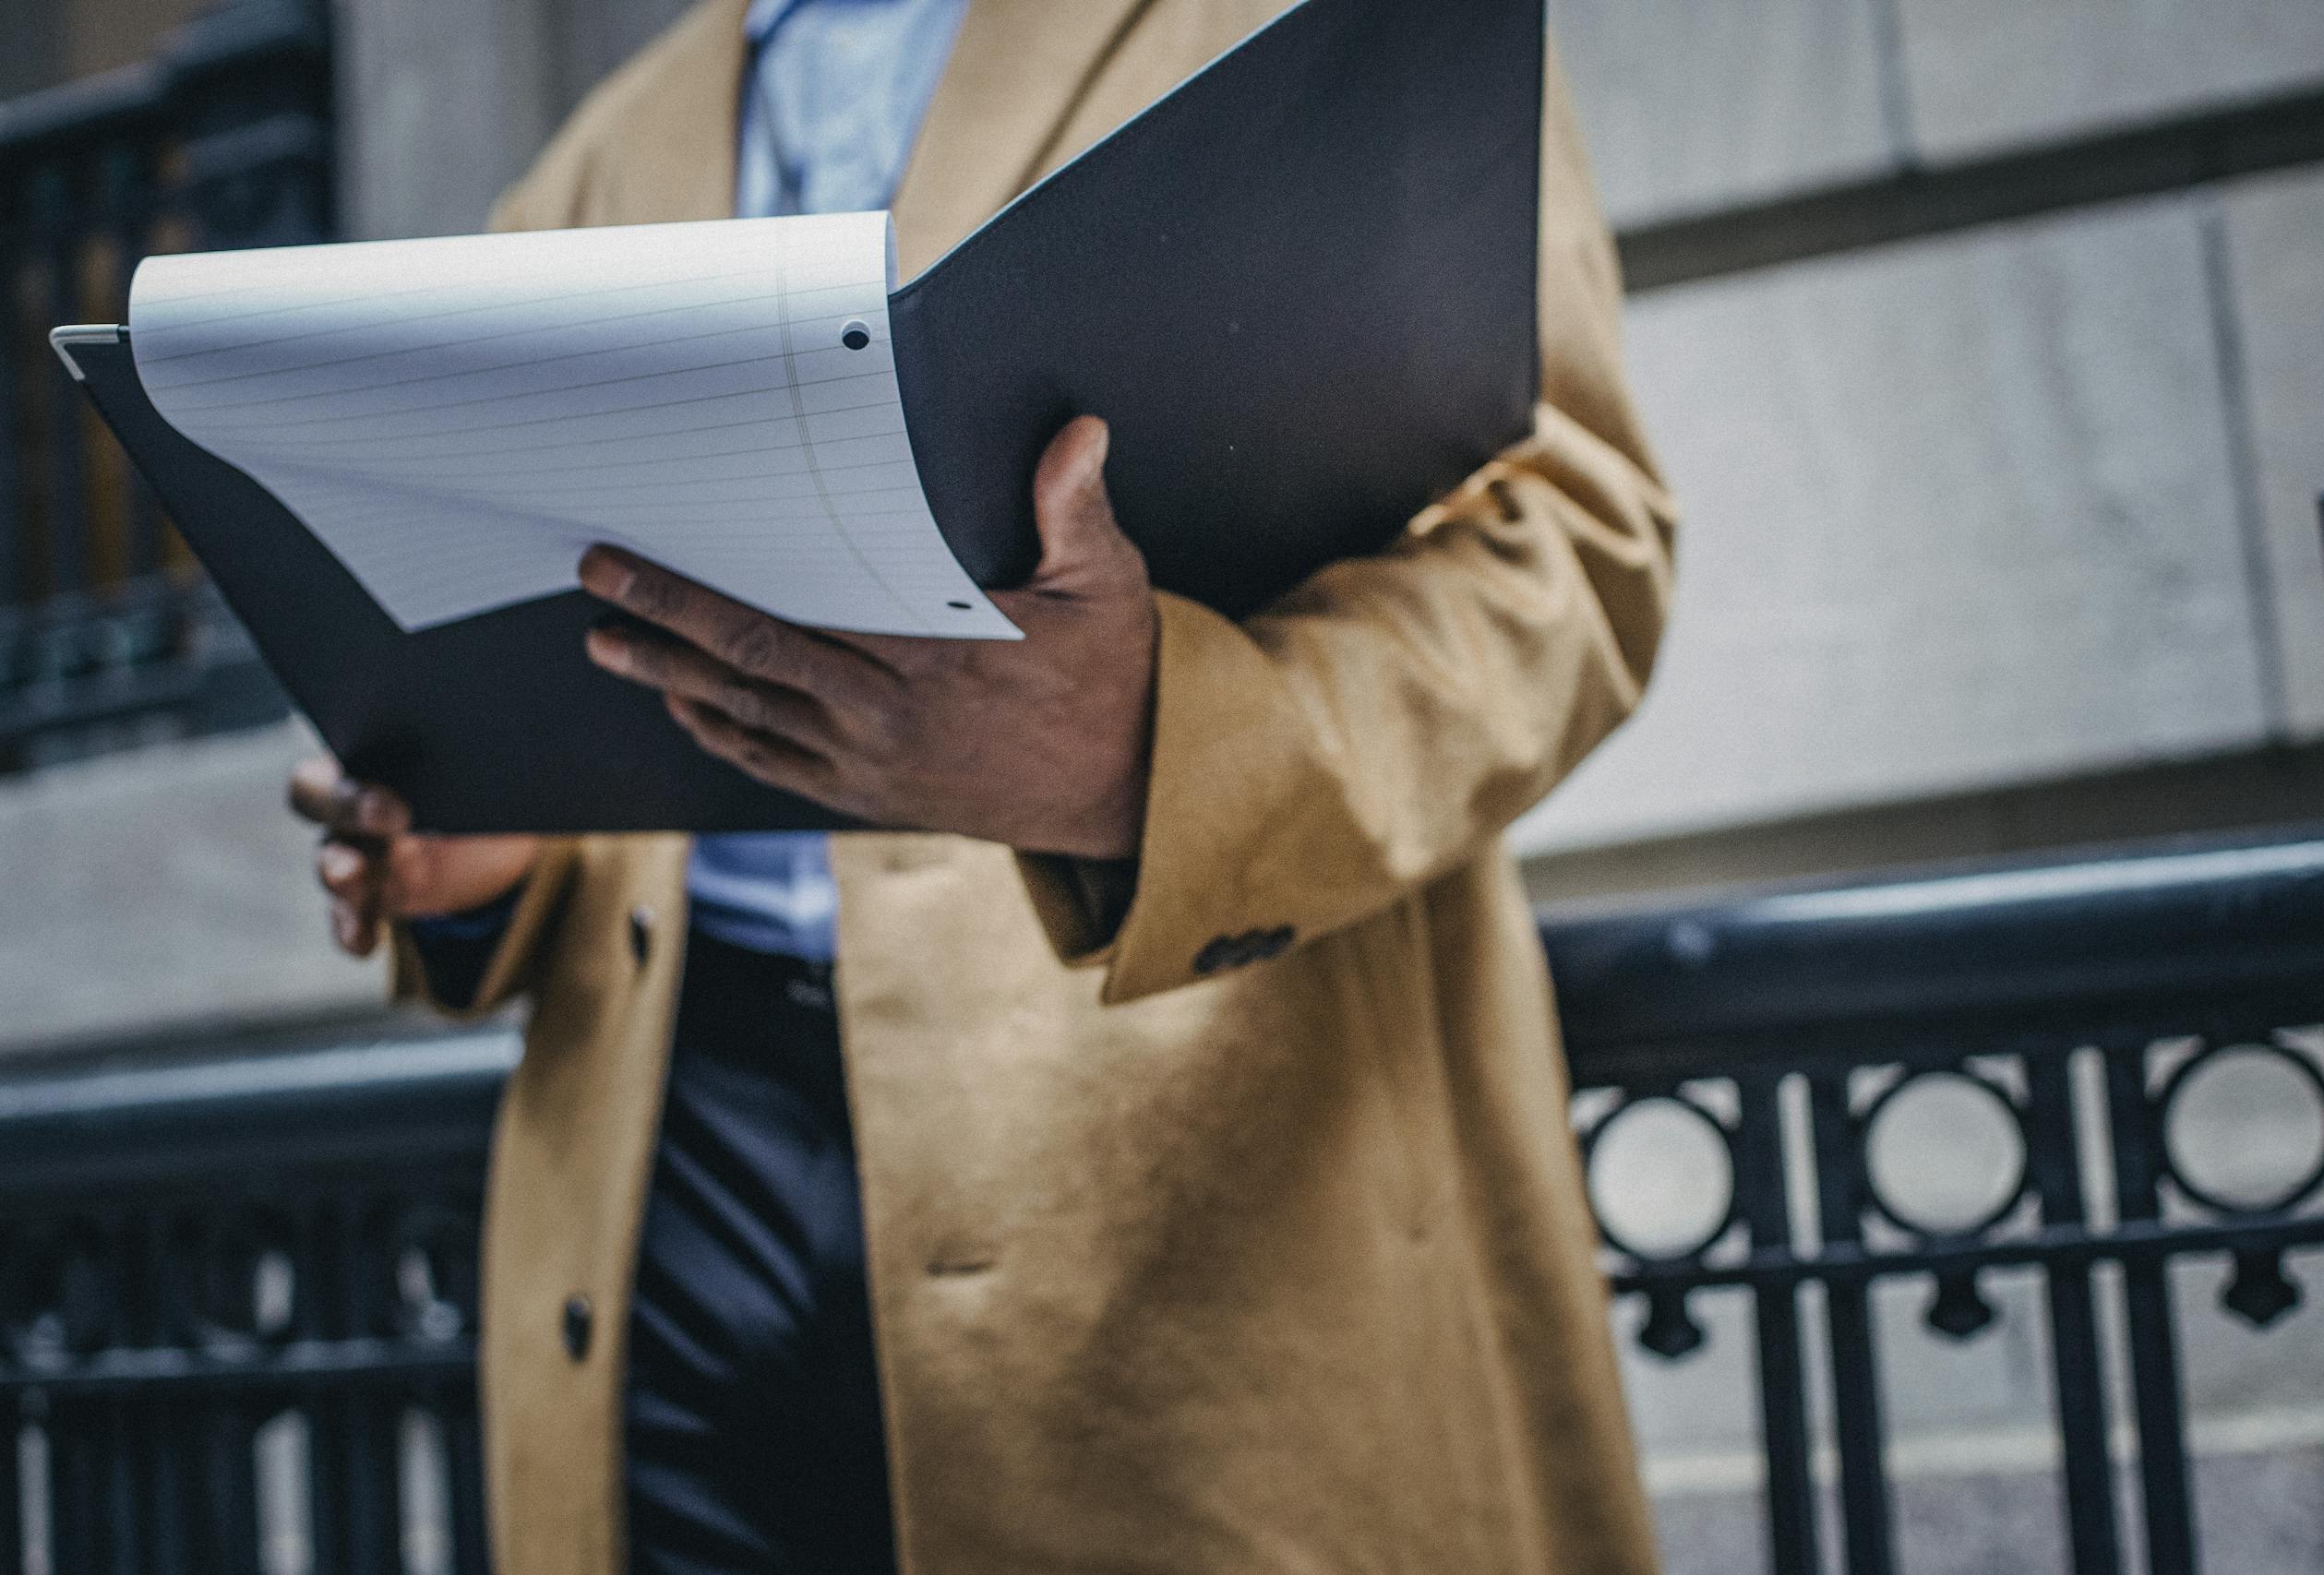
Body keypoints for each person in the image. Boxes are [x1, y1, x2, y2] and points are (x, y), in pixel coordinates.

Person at [292, 2, 1679, 1571]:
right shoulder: (597, 159)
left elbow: (1567, 551)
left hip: (1198, 1197)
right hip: (662, 1176)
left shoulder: (1296, 22)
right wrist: (498, 854)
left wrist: (1153, 751)